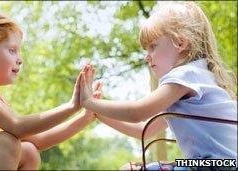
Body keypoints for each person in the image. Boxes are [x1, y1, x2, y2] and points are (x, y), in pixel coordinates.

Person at [79, 2, 237, 170]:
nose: (147, 57)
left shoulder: (185, 75)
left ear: (180, 43)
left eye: (153, 46)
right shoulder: (199, 78)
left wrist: (89, 102)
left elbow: (137, 112)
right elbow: (143, 130)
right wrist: (98, 113)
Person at [0, 13, 101, 170]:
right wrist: (72, 106)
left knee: (29, 152)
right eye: (12, 50)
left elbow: (36, 140)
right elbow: (18, 126)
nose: (20, 59)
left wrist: (84, 118)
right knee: (7, 143)